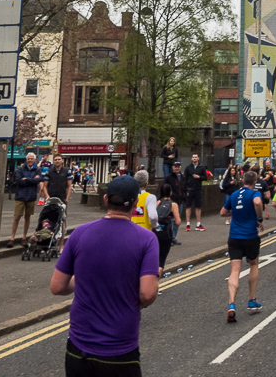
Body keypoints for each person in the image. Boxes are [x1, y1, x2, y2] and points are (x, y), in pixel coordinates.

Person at [51, 175, 159, 377]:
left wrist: (86, 277)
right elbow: (147, 294)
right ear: (135, 203)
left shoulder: (80, 233)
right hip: (120, 350)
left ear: (106, 199)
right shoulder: (147, 239)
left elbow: (57, 287)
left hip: (78, 347)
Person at [221, 171, 264, 322]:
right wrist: (259, 217)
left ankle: (231, 304)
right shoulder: (254, 194)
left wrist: (236, 211)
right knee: (253, 264)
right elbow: (258, 203)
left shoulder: (234, 195)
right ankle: (252, 300)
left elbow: (222, 212)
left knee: (234, 271)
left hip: (234, 237)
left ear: (243, 180)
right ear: (255, 181)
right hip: (250, 236)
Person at [8, 152, 45, 246]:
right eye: (28, 158)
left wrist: (27, 179)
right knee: (16, 217)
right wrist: (32, 180)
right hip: (20, 195)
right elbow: (19, 181)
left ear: (35, 160)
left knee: (27, 217)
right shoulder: (20, 169)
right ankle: (12, 238)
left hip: (31, 196)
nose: (30, 160)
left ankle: (24, 237)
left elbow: (39, 180)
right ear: (26, 159)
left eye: (32, 158)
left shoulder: (38, 169)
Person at [153, 182, 181, 277]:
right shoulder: (173, 205)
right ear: (170, 192)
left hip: (155, 233)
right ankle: (156, 285)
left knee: (154, 259)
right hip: (166, 234)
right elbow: (178, 222)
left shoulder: (157, 203)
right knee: (161, 261)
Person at [183, 154, 211, 232]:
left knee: (198, 206)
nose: (194, 158)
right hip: (190, 188)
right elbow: (185, 179)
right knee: (188, 206)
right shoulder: (188, 168)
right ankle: (188, 223)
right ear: (191, 158)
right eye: (193, 157)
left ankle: (198, 224)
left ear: (198, 158)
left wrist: (199, 177)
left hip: (198, 189)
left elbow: (205, 177)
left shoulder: (201, 167)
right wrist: (185, 190)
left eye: (196, 157)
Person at [164, 162, 185, 244]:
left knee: (177, 220)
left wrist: (185, 194)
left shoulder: (183, 177)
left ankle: (173, 238)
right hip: (172, 202)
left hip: (180, 201)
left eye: (178, 167)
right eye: (175, 167)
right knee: (171, 220)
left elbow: (185, 187)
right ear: (172, 167)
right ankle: (170, 238)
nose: (177, 168)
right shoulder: (169, 177)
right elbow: (165, 187)